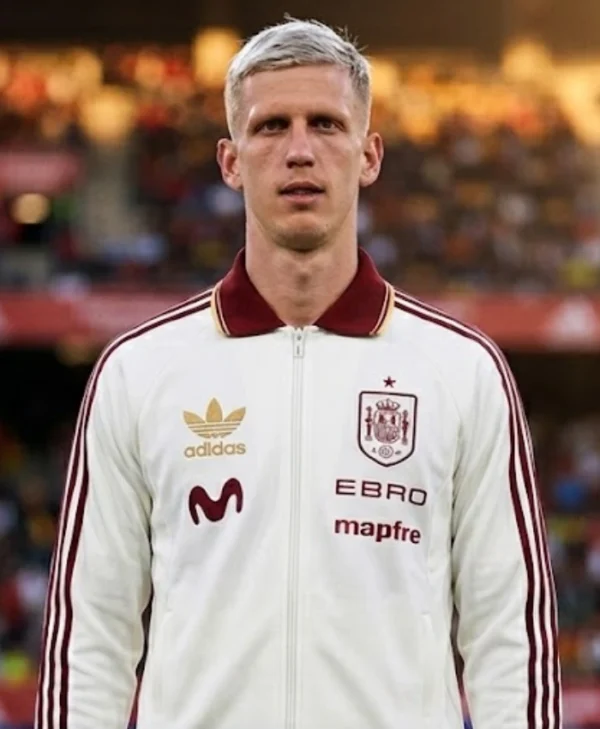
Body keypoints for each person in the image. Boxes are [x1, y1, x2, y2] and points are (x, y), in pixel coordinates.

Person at [35, 17, 560, 729]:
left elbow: (511, 632)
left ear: (369, 155)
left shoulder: (461, 371)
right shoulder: (139, 371)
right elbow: (90, 633)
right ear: (230, 161)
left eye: (327, 124)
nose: (301, 150)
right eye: (271, 126)